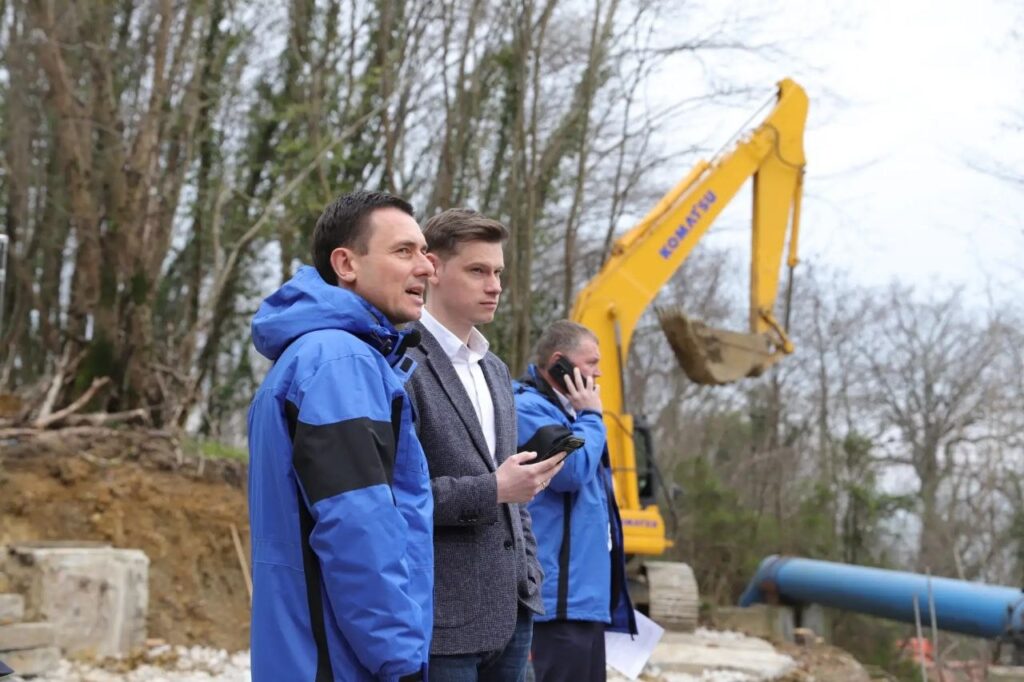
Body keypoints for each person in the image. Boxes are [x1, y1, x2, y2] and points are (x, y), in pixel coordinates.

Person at [247, 190, 435, 682]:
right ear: (346, 264)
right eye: (404, 251)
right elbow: (358, 528)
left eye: (424, 252)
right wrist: (400, 660)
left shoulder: (317, 355)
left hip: (310, 656)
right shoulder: (339, 363)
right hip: (342, 663)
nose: (426, 268)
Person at [404, 208, 563, 682]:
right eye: (478, 271)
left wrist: (529, 576)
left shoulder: (494, 370)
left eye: (498, 272)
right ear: (433, 268)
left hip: (513, 612)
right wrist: (494, 489)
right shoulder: (401, 362)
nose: (494, 286)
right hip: (441, 621)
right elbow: (396, 497)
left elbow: (516, 497)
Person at [513, 320, 637, 682]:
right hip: (555, 603)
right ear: (559, 363)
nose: (599, 373)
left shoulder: (571, 417)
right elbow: (571, 470)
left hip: (583, 602)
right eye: (591, 363)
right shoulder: (528, 408)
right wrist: (592, 416)